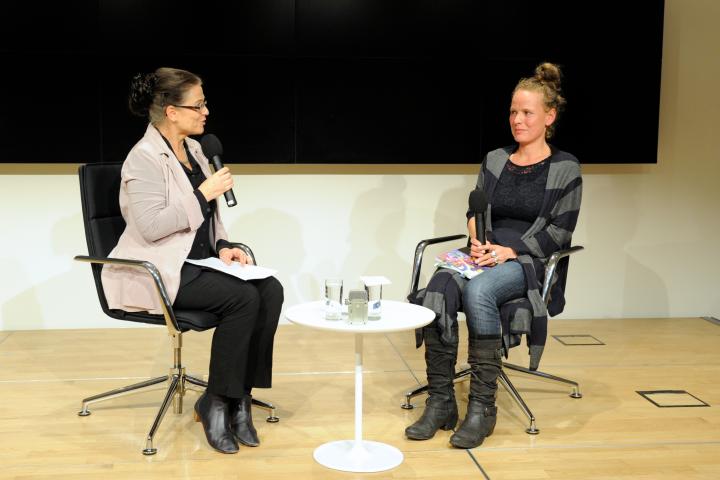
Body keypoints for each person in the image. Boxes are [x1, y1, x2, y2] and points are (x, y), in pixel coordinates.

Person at [101, 67, 284, 454]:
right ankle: (215, 400)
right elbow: (151, 228)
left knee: (270, 289)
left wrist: (223, 246)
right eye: (197, 105)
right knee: (242, 298)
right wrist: (202, 193)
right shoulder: (143, 158)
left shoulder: (197, 149)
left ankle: (240, 399)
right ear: (171, 111)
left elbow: (206, 222)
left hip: (197, 262)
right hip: (159, 269)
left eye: (204, 103)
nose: (205, 112)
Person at [405, 62, 582, 448]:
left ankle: (482, 408)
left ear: (549, 116)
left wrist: (508, 250)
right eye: (513, 112)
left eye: (527, 112)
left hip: (527, 260)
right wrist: (479, 242)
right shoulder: (495, 159)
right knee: (438, 286)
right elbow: (475, 211)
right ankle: (441, 402)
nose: (517, 120)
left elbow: (560, 231)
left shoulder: (565, 167)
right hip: (483, 249)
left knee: (479, 292)